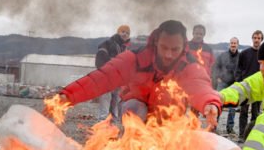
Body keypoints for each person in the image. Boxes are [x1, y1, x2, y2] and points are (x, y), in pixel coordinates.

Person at [59, 20, 221, 127]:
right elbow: (103, 78)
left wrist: (210, 104)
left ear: (183, 46)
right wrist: (69, 95)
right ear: (157, 42)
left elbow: (200, 86)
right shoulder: (135, 59)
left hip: (169, 116)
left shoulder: (189, 64)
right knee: (135, 109)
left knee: (173, 130)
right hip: (135, 111)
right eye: (164, 48)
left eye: (174, 49)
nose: (169, 55)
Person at [95, 25, 131, 121]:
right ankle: (103, 119)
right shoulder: (108, 43)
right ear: (118, 32)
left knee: (116, 97)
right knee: (105, 96)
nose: (125, 34)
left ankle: (113, 119)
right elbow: (100, 59)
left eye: (127, 33)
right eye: (123, 31)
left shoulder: (125, 48)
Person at [234, 30, 264, 142]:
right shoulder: (244, 53)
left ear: (261, 40)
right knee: (243, 112)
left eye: (259, 38)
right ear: (252, 39)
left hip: (259, 88)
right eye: (255, 38)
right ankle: (242, 135)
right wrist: (239, 82)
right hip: (246, 88)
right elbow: (238, 69)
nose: (256, 40)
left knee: (256, 114)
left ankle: (252, 136)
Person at [214, 37, 240, 134]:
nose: (233, 45)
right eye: (232, 43)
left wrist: (239, 80)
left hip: (234, 84)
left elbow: (242, 69)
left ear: (237, 44)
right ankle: (214, 125)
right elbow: (216, 66)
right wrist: (217, 78)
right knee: (217, 104)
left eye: (235, 43)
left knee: (232, 107)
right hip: (222, 83)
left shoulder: (240, 57)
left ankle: (230, 128)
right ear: (229, 44)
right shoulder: (223, 55)